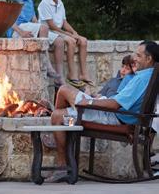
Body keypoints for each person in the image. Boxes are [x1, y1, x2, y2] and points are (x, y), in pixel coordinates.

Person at [46, 40, 159, 182]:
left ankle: (62, 162)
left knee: (57, 115)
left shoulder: (142, 78)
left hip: (114, 117)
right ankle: (60, 134)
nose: (134, 58)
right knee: (63, 91)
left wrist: (90, 102)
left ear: (149, 59)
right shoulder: (151, 75)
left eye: (138, 55)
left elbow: (115, 105)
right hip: (118, 114)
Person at [6, 0, 62, 85]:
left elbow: (34, 20)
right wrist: (21, 32)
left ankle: (59, 78)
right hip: (17, 30)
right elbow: (7, 19)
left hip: (29, 27)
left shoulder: (29, 1)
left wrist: (47, 31)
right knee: (43, 28)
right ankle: (47, 65)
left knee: (59, 41)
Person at [38, 0, 92, 88]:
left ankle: (83, 73)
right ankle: (72, 74)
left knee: (83, 40)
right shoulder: (44, 3)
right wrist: (68, 34)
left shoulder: (60, 3)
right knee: (71, 41)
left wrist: (74, 32)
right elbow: (51, 26)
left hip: (58, 31)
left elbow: (64, 22)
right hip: (48, 32)